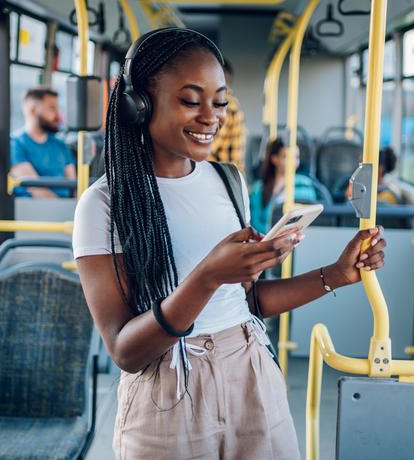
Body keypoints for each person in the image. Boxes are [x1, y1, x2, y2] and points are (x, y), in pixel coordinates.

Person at [72, 28, 387, 459]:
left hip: (251, 370)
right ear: (139, 102)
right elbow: (126, 351)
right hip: (168, 388)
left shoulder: (228, 181)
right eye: (190, 100)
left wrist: (335, 274)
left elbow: (248, 302)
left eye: (219, 102)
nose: (211, 117)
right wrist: (207, 277)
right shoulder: (104, 204)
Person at [10, 87, 76, 198]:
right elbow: (35, 188)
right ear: (32, 110)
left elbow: (74, 185)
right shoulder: (15, 144)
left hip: (66, 208)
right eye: (52, 108)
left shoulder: (61, 145)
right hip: (30, 210)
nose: (57, 115)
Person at [249, 138, 318, 234]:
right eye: (287, 157)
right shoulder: (258, 189)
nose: (293, 161)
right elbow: (255, 223)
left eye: (296, 157)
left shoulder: (305, 184)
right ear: (274, 158)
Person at [209, 58, 247, 173]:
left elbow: (209, 147)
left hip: (221, 174)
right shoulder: (232, 103)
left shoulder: (226, 104)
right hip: (228, 173)